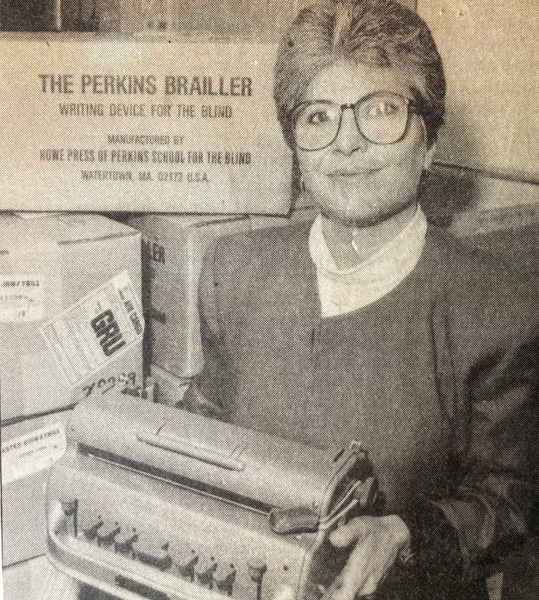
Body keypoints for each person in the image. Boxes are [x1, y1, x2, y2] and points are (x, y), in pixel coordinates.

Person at [183, 0, 539, 598]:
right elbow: (210, 419)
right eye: (318, 117)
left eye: (380, 111)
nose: (346, 143)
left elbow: (508, 499)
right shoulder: (234, 271)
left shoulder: (497, 310)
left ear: (429, 141)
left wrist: (405, 536)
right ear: (296, 149)